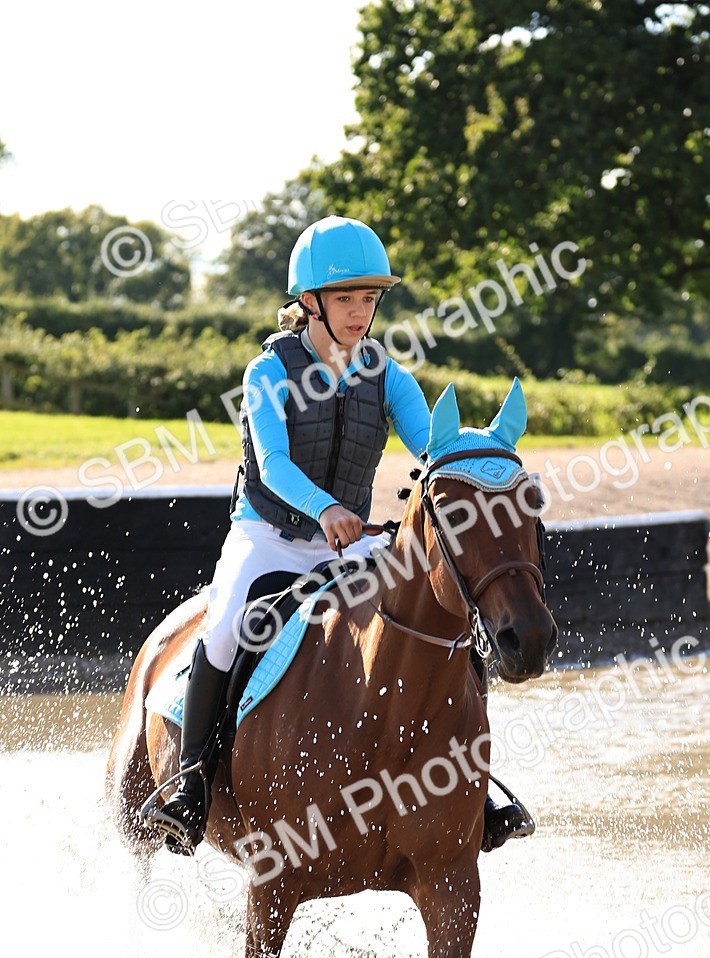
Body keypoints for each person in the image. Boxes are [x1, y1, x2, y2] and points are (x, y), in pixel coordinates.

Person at [141, 215, 533, 855]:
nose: (360, 313)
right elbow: (274, 465)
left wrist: (478, 459)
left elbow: (429, 449)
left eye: (370, 299)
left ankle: (476, 785)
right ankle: (190, 783)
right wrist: (325, 509)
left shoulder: (387, 376)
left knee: (442, 609)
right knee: (224, 631)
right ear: (310, 302)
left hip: (350, 543)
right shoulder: (268, 372)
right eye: (347, 298)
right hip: (267, 537)